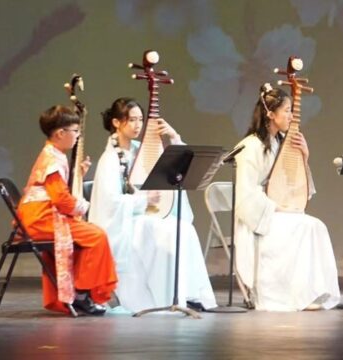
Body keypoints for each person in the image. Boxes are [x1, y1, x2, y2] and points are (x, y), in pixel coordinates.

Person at [89, 97, 217, 313]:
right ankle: (163, 297)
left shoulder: (143, 151)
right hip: (127, 222)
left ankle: (189, 294)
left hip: (147, 217)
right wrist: (142, 201)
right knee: (164, 232)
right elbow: (110, 202)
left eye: (140, 120)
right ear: (116, 122)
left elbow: (179, 168)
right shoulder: (109, 159)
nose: (137, 125)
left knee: (184, 229)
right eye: (131, 120)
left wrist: (174, 137)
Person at [233, 86, 340, 311]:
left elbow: (297, 185)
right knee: (305, 227)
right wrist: (274, 207)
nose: (292, 116)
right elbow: (245, 194)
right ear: (270, 114)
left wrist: (304, 156)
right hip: (258, 217)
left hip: (276, 211)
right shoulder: (250, 146)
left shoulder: (282, 143)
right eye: (287, 111)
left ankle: (310, 292)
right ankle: (294, 295)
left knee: (315, 226)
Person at [18, 105, 117, 315]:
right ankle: (81, 293)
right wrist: (85, 206)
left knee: (89, 234)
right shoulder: (52, 158)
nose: (77, 135)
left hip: (42, 215)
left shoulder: (53, 154)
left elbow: (59, 192)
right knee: (96, 236)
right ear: (61, 133)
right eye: (75, 131)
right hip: (40, 219)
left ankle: (79, 292)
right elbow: (61, 199)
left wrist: (78, 174)